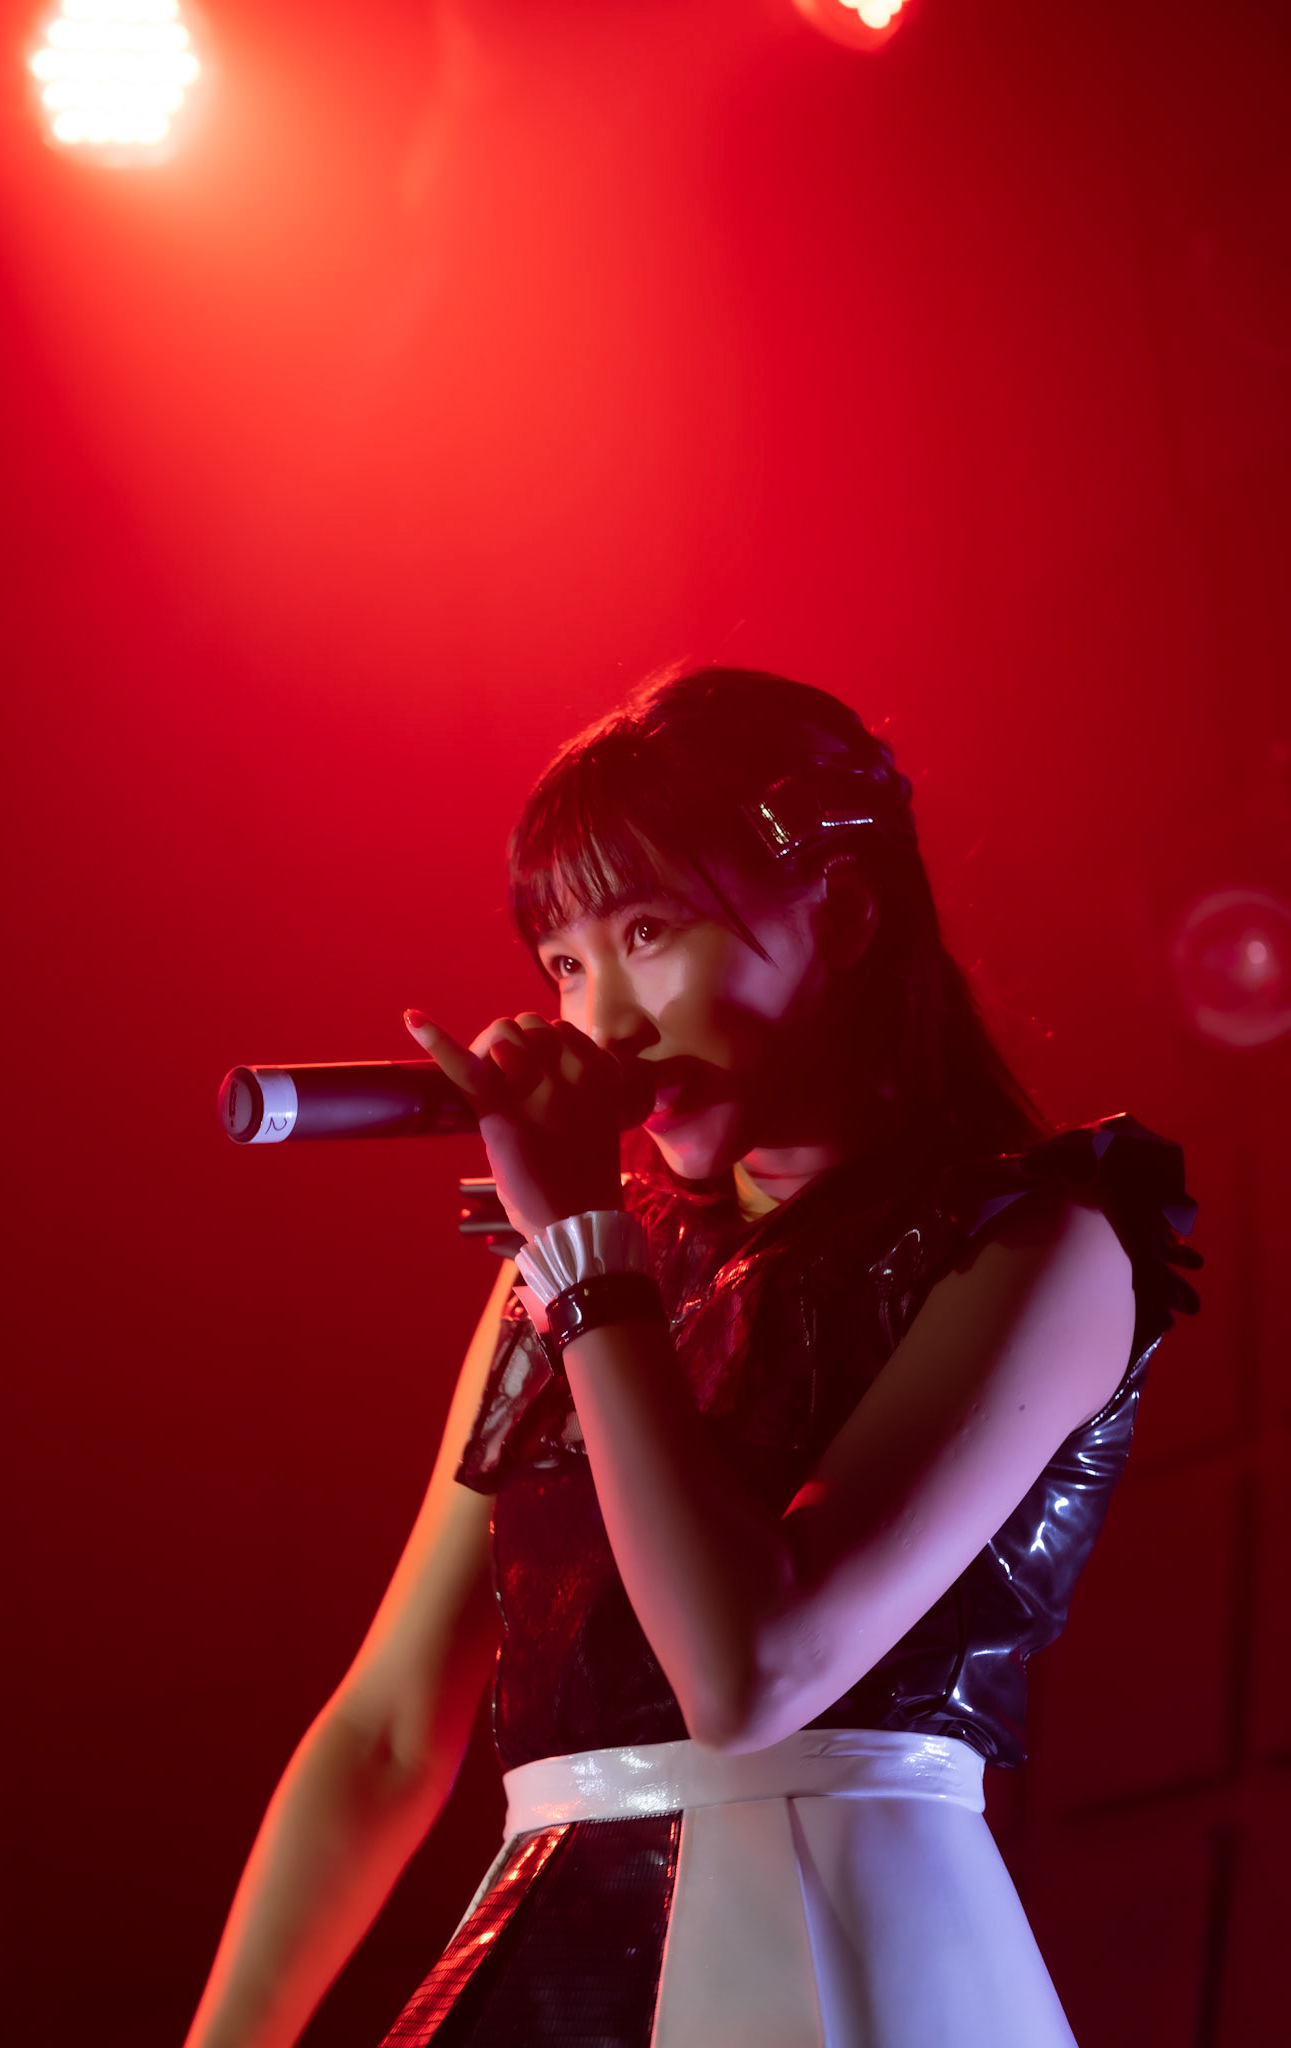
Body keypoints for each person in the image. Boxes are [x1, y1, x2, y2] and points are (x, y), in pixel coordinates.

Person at [184, 666, 1199, 2048]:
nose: (603, 1023)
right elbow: (388, 1730)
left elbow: (749, 1674)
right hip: (544, 1947)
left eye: (648, 933)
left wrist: (584, 1259)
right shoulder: (579, 1278)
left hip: (846, 1946)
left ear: (840, 915)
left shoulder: (1040, 1246)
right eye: (563, 964)